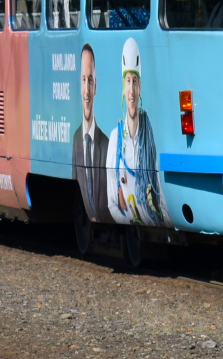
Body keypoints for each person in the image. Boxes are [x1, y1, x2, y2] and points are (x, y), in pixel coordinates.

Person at [107, 38, 169, 227]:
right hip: (131, 221)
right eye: (128, 82)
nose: (132, 90)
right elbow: (112, 204)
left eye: (135, 82)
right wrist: (130, 221)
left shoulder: (149, 137)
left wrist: (163, 222)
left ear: (140, 86)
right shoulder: (116, 138)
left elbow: (160, 196)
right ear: (123, 88)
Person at [71, 43, 110, 221]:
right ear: (79, 85)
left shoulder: (107, 144)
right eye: (83, 80)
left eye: (91, 80)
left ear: (96, 86)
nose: (87, 90)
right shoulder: (76, 140)